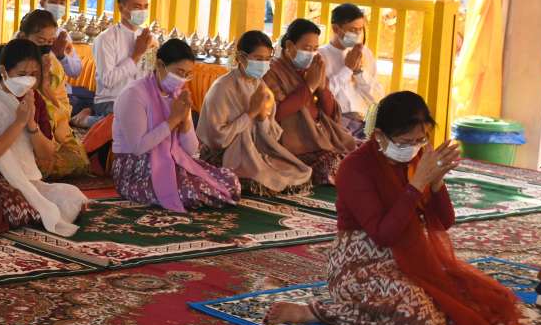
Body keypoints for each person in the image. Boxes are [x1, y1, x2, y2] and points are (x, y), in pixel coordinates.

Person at [265, 92, 530, 325]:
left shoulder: (418, 160)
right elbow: (384, 235)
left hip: (410, 257)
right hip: (359, 262)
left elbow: (445, 221)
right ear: (380, 135)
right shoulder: (354, 168)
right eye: (405, 141)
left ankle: (409, 311)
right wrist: (416, 185)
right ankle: (316, 313)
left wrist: (436, 182)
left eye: (420, 140)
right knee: (419, 316)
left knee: (480, 300)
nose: (413, 148)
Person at [0, 39, 89, 234]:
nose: (28, 80)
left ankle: (31, 210)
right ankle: (28, 210)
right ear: (4, 71)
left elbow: (46, 154)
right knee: (3, 200)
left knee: (72, 197)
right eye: (21, 74)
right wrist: (18, 123)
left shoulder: (35, 98)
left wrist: (31, 124)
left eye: (33, 74)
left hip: (26, 179)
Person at [113, 38, 241, 211]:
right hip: (136, 167)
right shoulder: (134, 94)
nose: (182, 79)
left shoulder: (177, 95)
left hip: (172, 160)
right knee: (190, 193)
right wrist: (173, 120)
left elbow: (191, 150)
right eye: (179, 72)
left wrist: (185, 120)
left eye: (187, 74)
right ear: (160, 65)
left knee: (229, 181)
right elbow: (138, 147)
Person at [198, 31, 312, 195]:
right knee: (263, 176)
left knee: (296, 170)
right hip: (224, 152)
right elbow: (217, 138)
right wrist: (250, 114)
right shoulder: (222, 88)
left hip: (254, 149)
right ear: (241, 58)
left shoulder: (260, 86)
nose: (263, 64)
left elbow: (270, 136)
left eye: (267, 59)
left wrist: (262, 117)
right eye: (258, 59)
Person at [265, 18, 358, 184]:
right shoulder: (272, 71)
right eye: (307, 48)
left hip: (318, 132)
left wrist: (322, 89)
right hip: (292, 140)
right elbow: (276, 113)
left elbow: (331, 114)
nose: (312, 54)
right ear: (289, 46)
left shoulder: (312, 68)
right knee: (334, 165)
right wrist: (309, 87)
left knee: (358, 154)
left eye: (315, 49)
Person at [18, 9, 89, 178]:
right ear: (23, 37)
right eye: (40, 41)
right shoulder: (13, 58)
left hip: (52, 124)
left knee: (80, 161)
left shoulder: (52, 62)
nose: (45, 46)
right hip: (20, 122)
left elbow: (60, 101)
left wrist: (46, 89)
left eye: (49, 41)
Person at [320, 3, 383, 138]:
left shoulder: (365, 53)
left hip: (365, 122)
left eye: (360, 30)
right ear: (336, 28)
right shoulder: (321, 56)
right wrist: (347, 69)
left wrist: (359, 72)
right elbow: (325, 94)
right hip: (337, 124)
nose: (357, 34)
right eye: (353, 30)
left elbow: (376, 98)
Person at [92, 0, 152, 115]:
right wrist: (136, 55)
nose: (142, 11)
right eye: (137, 7)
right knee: (134, 117)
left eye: (145, 7)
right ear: (121, 8)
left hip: (139, 100)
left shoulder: (149, 37)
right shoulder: (106, 39)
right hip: (111, 100)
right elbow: (108, 80)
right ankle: (88, 120)